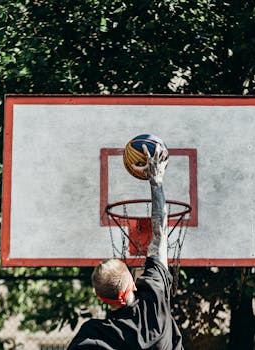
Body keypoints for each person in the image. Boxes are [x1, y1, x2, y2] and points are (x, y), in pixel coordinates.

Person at [68, 144, 183, 349]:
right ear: (132, 282)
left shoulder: (94, 335)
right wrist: (156, 181)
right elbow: (160, 234)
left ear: (100, 297)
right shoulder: (154, 301)